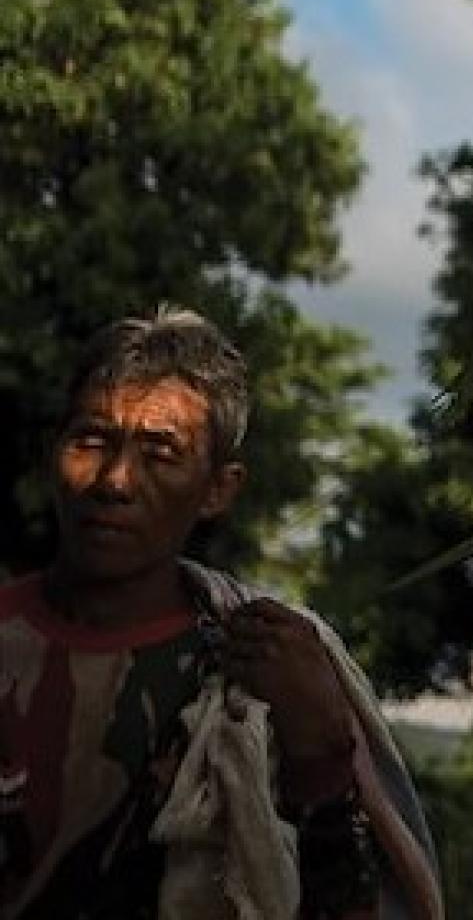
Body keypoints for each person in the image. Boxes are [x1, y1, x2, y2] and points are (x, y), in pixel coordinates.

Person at [0, 307, 441, 919]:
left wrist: (321, 757)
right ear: (55, 454)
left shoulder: (268, 660)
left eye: (161, 453)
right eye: (91, 441)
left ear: (218, 489)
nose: (116, 480)